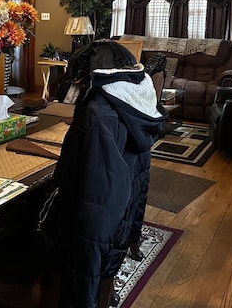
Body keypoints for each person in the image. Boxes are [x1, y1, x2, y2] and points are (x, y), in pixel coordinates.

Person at [37, 40, 168, 307]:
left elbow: (93, 214)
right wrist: (130, 235)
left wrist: (82, 295)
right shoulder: (134, 105)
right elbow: (138, 185)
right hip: (116, 233)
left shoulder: (98, 115)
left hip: (84, 240)